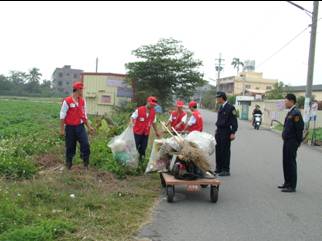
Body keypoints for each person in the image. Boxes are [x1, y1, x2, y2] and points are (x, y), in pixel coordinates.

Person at [60, 81, 95, 170]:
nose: (82, 91)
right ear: (77, 90)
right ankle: (69, 164)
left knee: (85, 144)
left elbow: (84, 115)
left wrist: (89, 126)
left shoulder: (82, 101)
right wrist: (62, 130)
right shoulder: (67, 101)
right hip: (70, 128)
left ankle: (86, 164)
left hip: (80, 127)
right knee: (70, 146)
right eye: (81, 89)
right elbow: (62, 115)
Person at [278, 94, 304, 193]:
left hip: (292, 142)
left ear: (292, 101)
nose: (285, 102)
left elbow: (299, 129)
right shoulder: (291, 112)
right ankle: (287, 182)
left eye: (286, 101)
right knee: (285, 162)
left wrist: (298, 142)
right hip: (287, 141)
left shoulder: (296, 113)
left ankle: (292, 186)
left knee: (291, 162)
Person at [131, 96, 161, 165]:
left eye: (154, 105)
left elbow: (154, 122)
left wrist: (157, 131)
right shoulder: (139, 110)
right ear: (147, 102)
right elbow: (132, 117)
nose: (152, 106)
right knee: (135, 147)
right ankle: (132, 162)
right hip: (137, 133)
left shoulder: (153, 112)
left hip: (145, 133)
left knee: (143, 148)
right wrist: (131, 124)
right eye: (151, 104)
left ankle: (141, 163)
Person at [215, 91, 238, 176]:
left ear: (222, 98)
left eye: (218, 97)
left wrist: (233, 132)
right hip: (219, 131)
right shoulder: (221, 107)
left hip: (226, 131)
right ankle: (219, 168)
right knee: (218, 149)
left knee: (225, 150)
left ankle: (225, 169)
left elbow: (234, 122)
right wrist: (217, 130)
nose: (217, 99)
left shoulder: (230, 108)